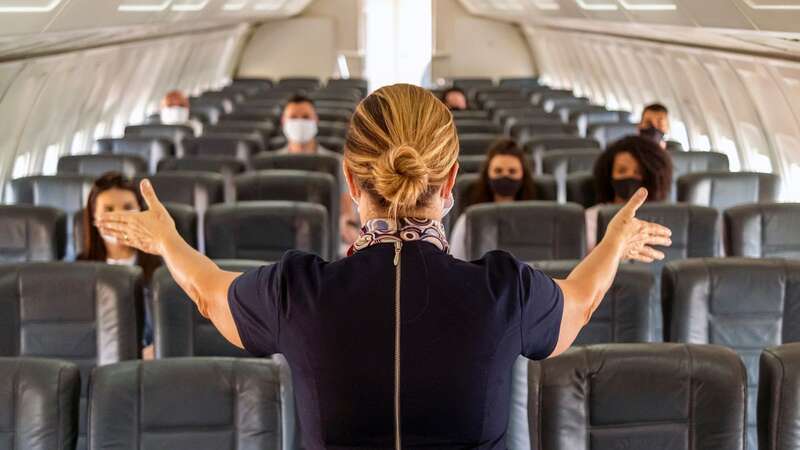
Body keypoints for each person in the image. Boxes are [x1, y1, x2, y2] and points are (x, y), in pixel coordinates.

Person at [97, 83, 671, 448]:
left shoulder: (298, 290)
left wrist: (168, 237)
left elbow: (207, 294)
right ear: (450, 183)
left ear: (350, 182)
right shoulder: (505, 291)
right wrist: (614, 242)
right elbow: (582, 300)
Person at [77, 172, 161, 359]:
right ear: (94, 218)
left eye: (128, 207)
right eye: (109, 209)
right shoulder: (78, 271)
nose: (120, 217)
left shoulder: (163, 268)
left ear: (141, 212)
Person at [278, 94, 360, 252]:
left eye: (305, 117)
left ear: (316, 120)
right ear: (283, 122)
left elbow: (346, 208)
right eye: (293, 117)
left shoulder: (336, 163)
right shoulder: (270, 164)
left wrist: (346, 223)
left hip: (326, 237)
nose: (299, 122)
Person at [449, 139, 537, 259]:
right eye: (498, 171)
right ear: (488, 175)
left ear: (523, 176)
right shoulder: (469, 220)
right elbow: (456, 261)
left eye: (512, 171)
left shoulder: (537, 217)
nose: (505, 176)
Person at [586, 135, 673, 250]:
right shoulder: (591, 218)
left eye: (638, 172)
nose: (630, 176)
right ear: (609, 176)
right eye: (622, 171)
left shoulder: (669, 217)